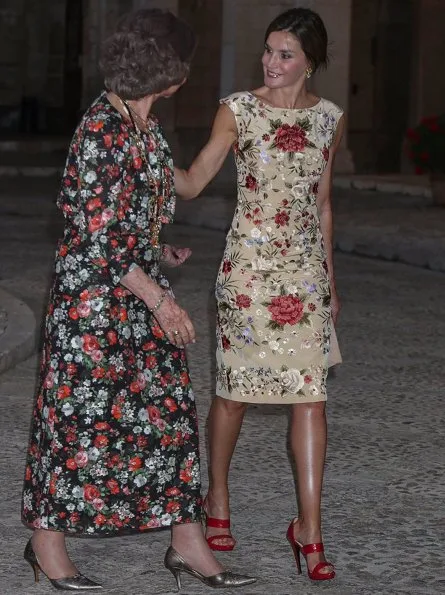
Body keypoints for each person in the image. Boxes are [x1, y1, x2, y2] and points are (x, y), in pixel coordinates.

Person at [21, 9, 256, 592]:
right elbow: (94, 236)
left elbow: (130, 209)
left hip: (133, 288)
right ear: (171, 73)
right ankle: (46, 543)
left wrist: (158, 249)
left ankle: (186, 540)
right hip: (94, 307)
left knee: (169, 414)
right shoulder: (102, 126)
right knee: (76, 423)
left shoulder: (142, 125)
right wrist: (161, 301)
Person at [174, 7, 344, 582]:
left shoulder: (328, 120)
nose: (271, 63)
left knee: (311, 397)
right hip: (247, 273)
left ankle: (310, 532)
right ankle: (217, 497)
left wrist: (330, 280)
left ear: (311, 62)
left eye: (285, 54)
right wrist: (142, 149)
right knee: (235, 394)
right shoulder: (237, 110)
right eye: (268, 51)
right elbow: (194, 181)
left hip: (305, 277)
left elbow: (321, 203)